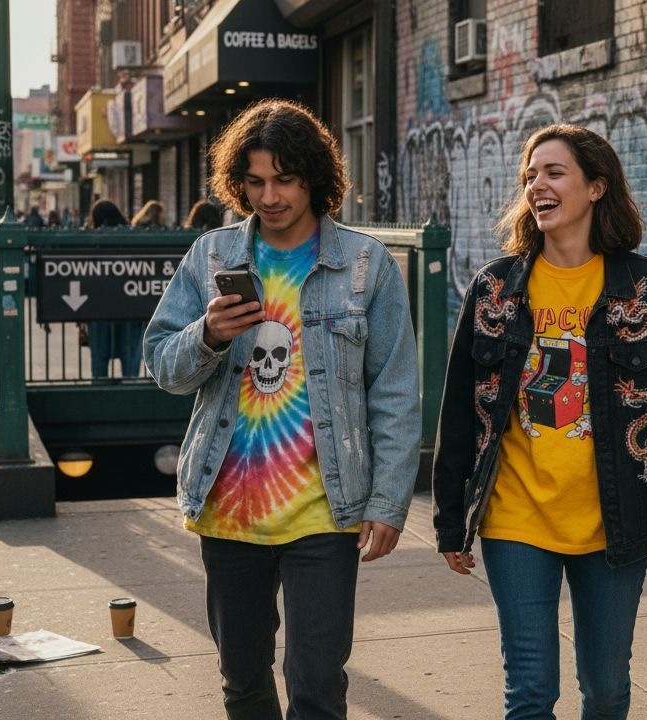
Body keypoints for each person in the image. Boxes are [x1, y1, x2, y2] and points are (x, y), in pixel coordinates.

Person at [433, 123, 647, 720]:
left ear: (596, 187)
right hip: (515, 517)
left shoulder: (646, 292)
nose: (537, 184)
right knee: (531, 692)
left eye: (554, 172)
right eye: (530, 176)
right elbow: (461, 411)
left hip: (614, 520)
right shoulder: (495, 290)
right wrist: (449, 519)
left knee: (608, 691)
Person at [144, 99, 420, 719]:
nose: (269, 196)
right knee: (243, 679)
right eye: (256, 181)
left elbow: (396, 392)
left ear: (314, 177)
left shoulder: (365, 266)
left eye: (285, 179)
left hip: (325, 507)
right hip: (228, 507)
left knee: (317, 683)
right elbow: (161, 364)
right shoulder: (212, 258)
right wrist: (208, 335)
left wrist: (387, 501)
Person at [85, 200, 143, 378]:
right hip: (131, 307)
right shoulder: (134, 238)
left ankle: (99, 391)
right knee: (130, 357)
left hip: (99, 309)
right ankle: (130, 390)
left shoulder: (91, 240)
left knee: (99, 357)